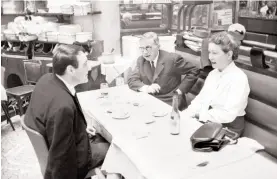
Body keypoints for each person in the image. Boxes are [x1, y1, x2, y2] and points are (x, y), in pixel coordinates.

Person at [24, 44, 110, 179]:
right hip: (73, 162)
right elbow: (62, 159)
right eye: (85, 64)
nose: (89, 67)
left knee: (100, 136)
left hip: (63, 143)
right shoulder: (63, 106)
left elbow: (55, 125)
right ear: (70, 70)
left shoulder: (46, 79)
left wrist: (80, 129)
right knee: (115, 149)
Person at [184, 31, 250, 136]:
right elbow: (201, 99)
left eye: (214, 53)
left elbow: (228, 114)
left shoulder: (239, 78)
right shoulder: (213, 74)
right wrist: (186, 114)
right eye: (209, 52)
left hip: (229, 128)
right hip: (209, 121)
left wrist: (199, 115)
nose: (210, 57)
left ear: (229, 54)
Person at [127, 32, 200, 110]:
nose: (144, 52)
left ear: (158, 47)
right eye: (142, 48)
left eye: (148, 47)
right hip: (150, 100)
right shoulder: (141, 60)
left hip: (170, 100)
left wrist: (180, 90)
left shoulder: (172, 59)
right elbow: (132, 80)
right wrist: (146, 88)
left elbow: (194, 70)